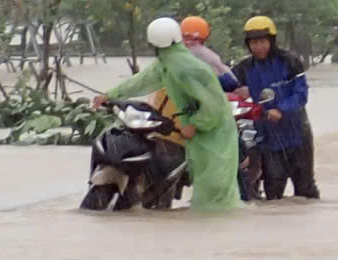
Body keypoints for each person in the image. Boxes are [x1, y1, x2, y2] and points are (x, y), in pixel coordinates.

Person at [96, 16, 241, 213]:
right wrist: (111, 95)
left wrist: (196, 124)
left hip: (215, 133)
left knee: (216, 189)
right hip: (196, 131)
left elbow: (214, 105)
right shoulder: (167, 62)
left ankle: (221, 231)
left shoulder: (188, 67)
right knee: (206, 193)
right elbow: (142, 80)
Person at [232, 15, 317, 201]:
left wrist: (281, 109)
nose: (258, 47)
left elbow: (301, 94)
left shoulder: (290, 62)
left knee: (306, 189)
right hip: (268, 138)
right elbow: (224, 84)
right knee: (273, 191)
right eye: (253, 43)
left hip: (297, 134)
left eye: (262, 41)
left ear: (271, 40)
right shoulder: (244, 68)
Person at [177, 15, 240, 90]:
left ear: (202, 40)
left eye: (195, 39)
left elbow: (231, 82)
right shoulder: (179, 55)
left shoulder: (206, 55)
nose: (189, 42)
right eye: (186, 38)